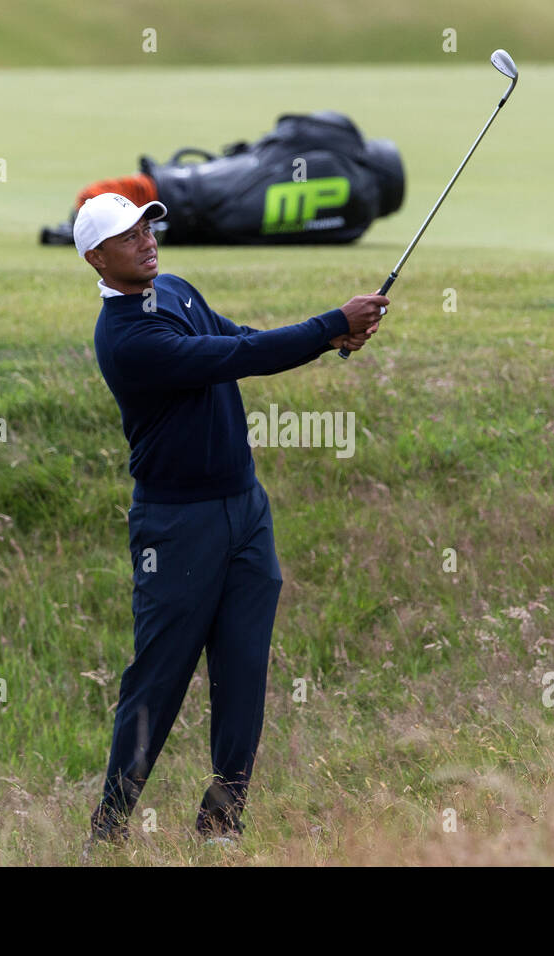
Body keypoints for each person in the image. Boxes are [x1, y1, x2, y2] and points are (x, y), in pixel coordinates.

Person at [76, 193, 387, 851]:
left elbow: (237, 338)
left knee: (243, 668)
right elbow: (232, 361)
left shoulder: (177, 290)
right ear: (96, 258)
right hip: (177, 526)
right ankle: (108, 831)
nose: (147, 240)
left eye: (148, 227)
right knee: (157, 680)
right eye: (128, 237)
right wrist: (330, 319)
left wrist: (329, 339)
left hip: (245, 509)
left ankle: (221, 822)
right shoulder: (128, 339)